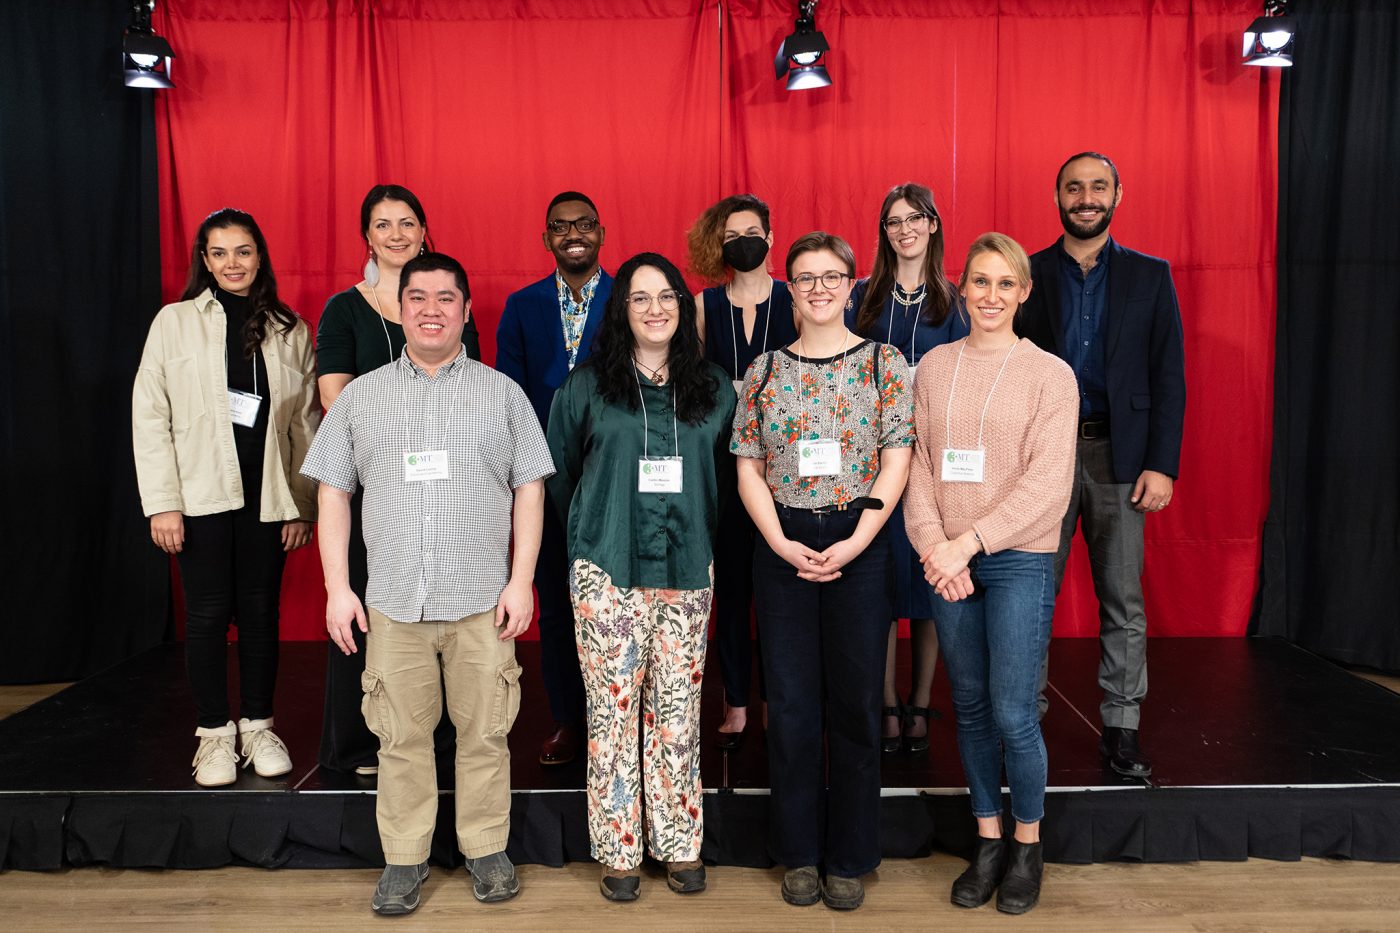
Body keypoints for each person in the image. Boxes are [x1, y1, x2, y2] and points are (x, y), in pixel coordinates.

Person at [301, 252, 553, 916]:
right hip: (393, 605)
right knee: (400, 740)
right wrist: (337, 588)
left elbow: (530, 489)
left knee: (485, 735)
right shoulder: (360, 397)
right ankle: (404, 859)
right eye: (418, 298)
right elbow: (332, 494)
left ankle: (487, 849)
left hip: (481, 605)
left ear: (466, 310)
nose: (432, 309)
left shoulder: (504, 394)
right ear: (400, 308)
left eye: (446, 298)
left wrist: (521, 580)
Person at [547, 252, 736, 902]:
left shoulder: (716, 388)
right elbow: (562, 477)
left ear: (682, 305)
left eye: (666, 296)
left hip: (687, 568)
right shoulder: (585, 388)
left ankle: (679, 842)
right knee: (612, 714)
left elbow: (727, 481)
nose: (655, 308)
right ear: (621, 310)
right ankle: (619, 846)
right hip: (608, 570)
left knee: (678, 713)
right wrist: (597, 532)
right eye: (640, 297)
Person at [732, 232, 913, 911]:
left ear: (850, 283)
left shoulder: (883, 363)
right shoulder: (764, 371)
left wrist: (859, 539)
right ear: (789, 287)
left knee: (858, 704)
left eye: (830, 276)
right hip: (781, 542)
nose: (818, 289)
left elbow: (896, 458)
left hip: (859, 540)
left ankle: (850, 855)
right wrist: (780, 542)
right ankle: (799, 852)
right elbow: (748, 467)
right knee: (792, 707)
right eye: (805, 277)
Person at [904, 232, 1078, 915]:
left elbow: (1049, 487)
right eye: (981, 281)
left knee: (1012, 710)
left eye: (1006, 283)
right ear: (962, 287)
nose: (992, 295)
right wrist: (937, 548)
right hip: (947, 561)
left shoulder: (1051, 375)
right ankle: (987, 840)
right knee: (971, 708)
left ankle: (1027, 845)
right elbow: (916, 465)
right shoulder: (933, 367)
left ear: (1024, 292)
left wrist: (968, 544)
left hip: (1017, 560)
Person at [133, 208, 319, 787]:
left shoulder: (290, 328)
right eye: (219, 253)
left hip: (268, 498)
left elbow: (305, 423)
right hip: (199, 496)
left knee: (261, 614)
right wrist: (163, 502)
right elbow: (150, 415)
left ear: (259, 256)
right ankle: (214, 735)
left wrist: (302, 503)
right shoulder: (174, 322)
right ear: (205, 261)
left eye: (243, 251)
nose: (232, 263)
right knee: (209, 615)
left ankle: (259, 727)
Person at [1016, 152, 1187, 778]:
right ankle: (1022, 723)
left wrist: (1161, 464)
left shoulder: (1150, 275)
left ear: (1118, 194)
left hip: (1122, 456)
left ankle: (1121, 727)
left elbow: (1169, 376)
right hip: (1042, 457)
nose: (1085, 198)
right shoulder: (1028, 274)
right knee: (1032, 595)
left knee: (1122, 598)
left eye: (1097, 187)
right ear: (1057, 196)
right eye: (1073, 188)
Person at [314, 184, 481, 776]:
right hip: (375, 484)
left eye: (407, 222)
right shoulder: (344, 308)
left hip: (446, 487)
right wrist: (402, 430)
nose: (396, 234)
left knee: (441, 614)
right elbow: (333, 395)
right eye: (382, 224)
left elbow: (470, 388)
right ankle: (365, 744)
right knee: (366, 611)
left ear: (423, 230)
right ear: (367, 236)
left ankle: (439, 740)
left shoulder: (447, 301)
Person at [846, 182, 969, 754]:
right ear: (884, 232)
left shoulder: (957, 301)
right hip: (873, 460)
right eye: (894, 221)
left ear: (933, 224)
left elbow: (967, 380)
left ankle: (920, 701)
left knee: (928, 584)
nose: (905, 229)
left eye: (915, 218)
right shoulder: (862, 297)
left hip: (936, 462)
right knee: (878, 586)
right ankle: (887, 701)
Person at [496, 191, 612, 767]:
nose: (574, 234)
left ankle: (616, 720)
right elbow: (510, 398)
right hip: (543, 483)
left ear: (601, 232)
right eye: (561, 226)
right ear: (547, 238)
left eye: (584, 224)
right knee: (559, 606)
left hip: (615, 477)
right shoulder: (522, 306)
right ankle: (570, 720)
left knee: (616, 604)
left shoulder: (629, 297)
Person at [685, 193, 797, 748]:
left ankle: (778, 698)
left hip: (787, 464)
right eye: (731, 237)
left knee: (779, 588)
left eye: (751, 234)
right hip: (723, 464)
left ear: (770, 238)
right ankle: (735, 701)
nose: (742, 244)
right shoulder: (704, 305)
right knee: (729, 588)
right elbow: (689, 381)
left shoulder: (794, 298)